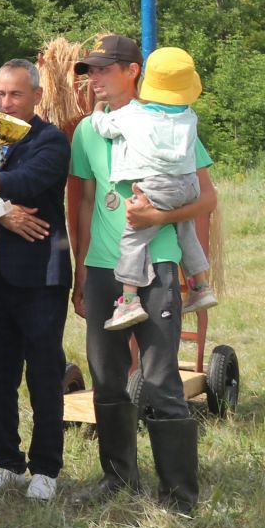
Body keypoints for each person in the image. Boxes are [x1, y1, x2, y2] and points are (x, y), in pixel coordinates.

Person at [70, 34, 217, 515]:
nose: (93, 79)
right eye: (88, 71)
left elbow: (206, 200)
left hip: (156, 269)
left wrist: (159, 220)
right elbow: (87, 202)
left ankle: (179, 495)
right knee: (107, 378)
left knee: (158, 379)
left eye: (103, 69)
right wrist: (81, 273)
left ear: (134, 70)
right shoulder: (88, 131)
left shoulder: (175, 125)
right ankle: (118, 480)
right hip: (102, 271)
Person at [0, 59, 72, 502]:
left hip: (41, 278)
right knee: (1, 375)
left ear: (36, 96)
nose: (6, 103)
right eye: (0, 94)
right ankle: (8, 463)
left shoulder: (51, 140)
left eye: (15, 94)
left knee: (44, 374)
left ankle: (46, 468)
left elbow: (31, 181)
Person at [92, 46, 217, 327]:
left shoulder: (133, 115)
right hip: (188, 186)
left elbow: (104, 128)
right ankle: (200, 286)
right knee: (186, 232)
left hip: (157, 186)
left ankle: (129, 301)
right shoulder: (188, 116)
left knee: (134, 240)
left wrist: (98, 109)